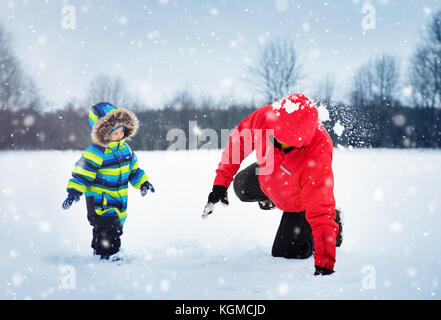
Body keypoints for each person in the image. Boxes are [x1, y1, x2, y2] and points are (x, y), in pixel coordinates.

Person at [203, 93, 342, 276]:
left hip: (300, 202)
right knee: (241, 186)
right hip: (268, 176)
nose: (278, 144)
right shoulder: (265, 118)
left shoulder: (318, 151)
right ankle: (274, 199)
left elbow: (320, 210)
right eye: (276, 139)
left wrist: (325, 265)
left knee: (285, 253)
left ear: (301, 143)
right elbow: (238, 143)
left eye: (286, 145)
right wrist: (220, 184)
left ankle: (336, 222)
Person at [62, 102, 155, 262]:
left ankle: (99, 253)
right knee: (108, 229)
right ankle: (110, 257)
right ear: (103, 134)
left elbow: (133, 171)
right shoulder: (96, 152)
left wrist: (143, 182)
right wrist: (74, 192)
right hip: (100, 203)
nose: (119, 135)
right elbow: (81, 174)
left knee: (112, 230)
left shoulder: (126, 150)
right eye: (114, 133)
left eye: (121, 131)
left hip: (119, 202)